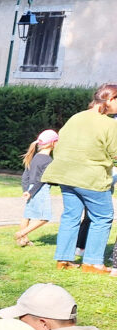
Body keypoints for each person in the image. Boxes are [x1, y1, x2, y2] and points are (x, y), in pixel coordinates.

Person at [43, 83, 117, 273]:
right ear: (110, 99)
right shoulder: (109, 123)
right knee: (102, 217)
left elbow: (60, 144)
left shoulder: (76, 117)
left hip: (65, 175)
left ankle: (63, 260)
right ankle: (92, 263)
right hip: (90, 177)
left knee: (70, 217)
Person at [14, 130, 59, 247]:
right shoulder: (48, 160)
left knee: (27, 215)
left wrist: (26, 190)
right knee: (45, 217)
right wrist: (32, 192)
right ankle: (21, 233)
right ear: (53, 143)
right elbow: (42, 179)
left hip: (30, 188)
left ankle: (23, 240)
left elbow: (26, 175)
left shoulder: (34, 157)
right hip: (40, 190)